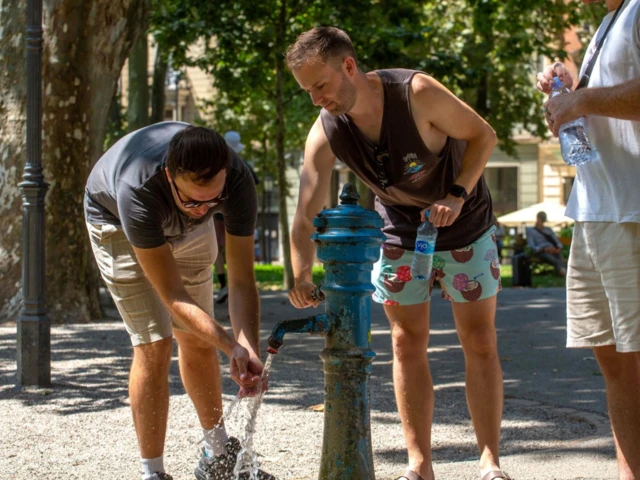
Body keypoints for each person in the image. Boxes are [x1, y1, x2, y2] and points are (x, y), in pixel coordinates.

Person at [286, 27, 509, 480]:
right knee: (406, 343)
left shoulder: (417, 94)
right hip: (403, 233)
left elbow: (484, 136)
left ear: (348, 66)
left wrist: (457, 193)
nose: (316, 100)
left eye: (320, 86)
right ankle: (419, 465)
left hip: (465, 224)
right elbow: (307, 204)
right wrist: (301, 271)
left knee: (480, 340)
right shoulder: (328, 129)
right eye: (307, 91)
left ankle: (489, 461)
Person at [84, 122, 273, 480]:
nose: (203, 209)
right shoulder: (136, 189)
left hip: (188, 233)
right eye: (192, 200)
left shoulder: (238, 181)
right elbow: (172, 295)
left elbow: (242, 279)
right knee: (155, 342)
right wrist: (228, 344)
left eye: (213, 201)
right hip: (118, 225)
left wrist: (246, 349)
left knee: (199, 339)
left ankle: (217, 456)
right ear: (171, 176)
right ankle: (152, 472)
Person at [536, 0, 640, 478]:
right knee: (613, 357)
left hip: (633, 210)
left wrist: (580, 100)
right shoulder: (605, 22)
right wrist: (567, 94)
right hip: (594, 208)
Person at [214, 131, 260, 305]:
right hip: (239, 215)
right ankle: (236, 285)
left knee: (218, 250)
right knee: (239, 250)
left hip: (217, 215)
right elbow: (252, 192)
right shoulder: (244, 166)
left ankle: (224, 285)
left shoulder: (215, 165)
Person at [526, 211, 567, 276]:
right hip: (542, 252)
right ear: (537, 218)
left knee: (560, 259)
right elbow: (532, 246)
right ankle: (566, 276)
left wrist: (558, 248)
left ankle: (566, 276)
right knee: (556, 261)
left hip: (554, 250)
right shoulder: (531, 231)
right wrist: (545, 249)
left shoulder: (548, 230)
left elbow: (557, 242)